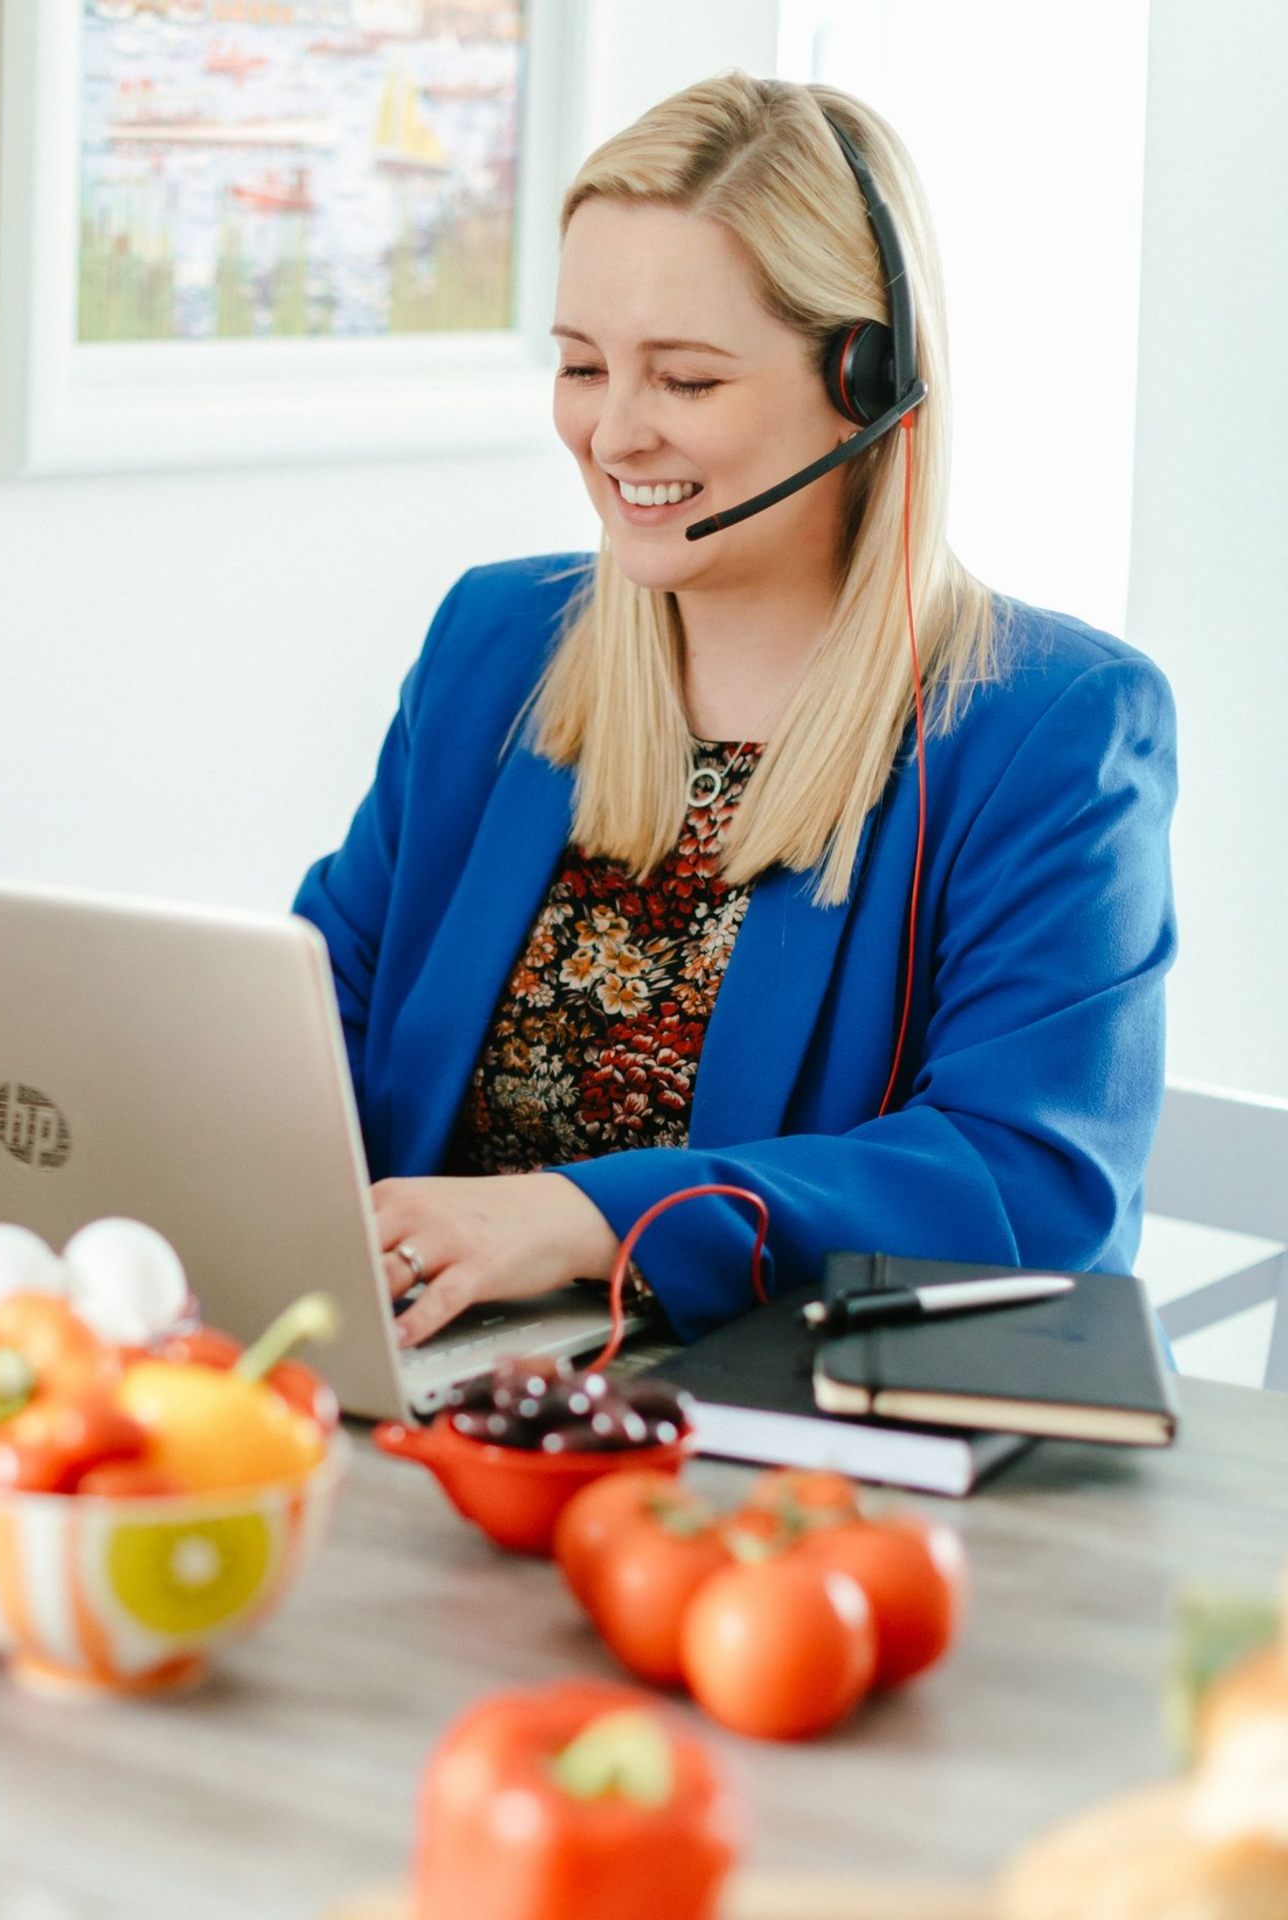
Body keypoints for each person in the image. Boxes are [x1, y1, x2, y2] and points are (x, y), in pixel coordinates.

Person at [291, 72, 1178, 1350]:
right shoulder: (496, 644)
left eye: (687, 382)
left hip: (792, 1439)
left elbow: (1031, 1186)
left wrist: (586, 1216)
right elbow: (324, 1011)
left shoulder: (1051, 725)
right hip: (447, 1400)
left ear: (869, 383)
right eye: (583, 366)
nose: (612, 433)